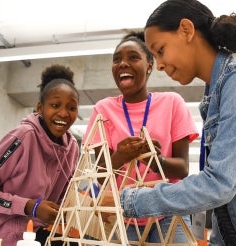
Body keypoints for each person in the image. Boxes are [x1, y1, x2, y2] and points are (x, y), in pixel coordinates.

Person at [106, 0, 236, 245]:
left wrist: (129, 201)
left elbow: (219, 184)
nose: (159, 64)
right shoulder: (215, 95)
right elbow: (229, 199)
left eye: (160, 50)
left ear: (186, 30)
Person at [82, 30, 199, 243]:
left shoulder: (172, 103)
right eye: (117, 60)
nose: (123, 64)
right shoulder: (103, 109)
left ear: (150, 66)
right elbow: (100, 176)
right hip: (122, 214)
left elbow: (182, 169)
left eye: (133, 57)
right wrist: (121, 156)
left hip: (168, 209)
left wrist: (154, 160)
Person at [0, 64, 80, 246]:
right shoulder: (22, 137)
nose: (63, 113)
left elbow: (63, 197)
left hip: (38, 235)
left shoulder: (72, 148)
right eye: (55, 105)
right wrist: (30, 206)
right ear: (40, 108)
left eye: (71, 107)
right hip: (2, 239)